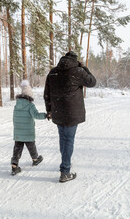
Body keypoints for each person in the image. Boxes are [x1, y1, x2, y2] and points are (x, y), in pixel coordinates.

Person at [44, 51, 96, 183]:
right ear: (76, 60)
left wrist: (49, 110)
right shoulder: (77, 71)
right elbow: (92, 82)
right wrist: (84, 67)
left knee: (63, 138)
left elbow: (47, 93)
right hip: (71, 112)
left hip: (57, 112)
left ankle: (65, 163)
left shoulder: (53, 72)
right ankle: (65, 171)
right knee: (68, 140)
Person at [11, 80, 46, 175]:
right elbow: (36, 115)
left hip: (18, 131)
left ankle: (14, 165)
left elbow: (14, 118)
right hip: (28, 131)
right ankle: (35, 159)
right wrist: (46, 115)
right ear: (30, 96)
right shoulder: (30, 105)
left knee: (17, 148)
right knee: (31, 146)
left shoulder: (16, 105)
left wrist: (17, 128)